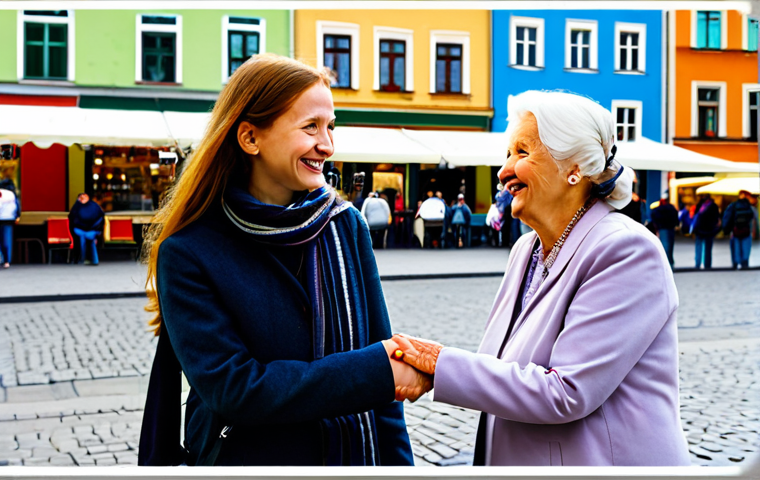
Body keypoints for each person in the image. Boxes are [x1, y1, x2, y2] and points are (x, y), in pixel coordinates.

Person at [137, 54, 427, 467]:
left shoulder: (346, 226)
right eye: (310, 127)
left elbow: (384, 384)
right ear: (250, 138)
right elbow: (234, 389)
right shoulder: (188, 252)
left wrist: (400, 470)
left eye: (330, 127)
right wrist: (373, 372)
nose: (326, 144)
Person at [390, 90, 690, 466]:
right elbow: (501, 371)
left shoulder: (626, 249)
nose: (503, 172)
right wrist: (432, 370)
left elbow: (567, 391)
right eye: (506, 155)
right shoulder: (525, 250)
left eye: (522, 152)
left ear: (574, 167)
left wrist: (439, 363)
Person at [722, 190, 756, 269]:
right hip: (746, 231)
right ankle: (745, 263)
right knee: (746, 248)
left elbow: (727, 218)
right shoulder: (750, 207)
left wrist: (726, 230)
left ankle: (735, 263)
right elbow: (753, 220)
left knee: (735, 248)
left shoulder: (733, 205)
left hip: (735, 231)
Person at [68, 193, 104, 265]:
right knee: (83, 237)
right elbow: (72, 218)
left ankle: (89, 259)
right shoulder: (77, 207)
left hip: (92, 229)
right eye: (81, 198)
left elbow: (100, 218)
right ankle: (84, 259)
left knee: (88, 236)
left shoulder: (94, 206)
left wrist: (97, 229)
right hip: (80, 229)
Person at [691, 193, 721, 269]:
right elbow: (716, 218)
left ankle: (698, 264)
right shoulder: (713, 206)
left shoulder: (700, 205)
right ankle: (707, 265)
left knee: (699, 247)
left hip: (700, 229)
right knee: (708, 248)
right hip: (709, 230)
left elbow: (695, 217)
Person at [651, 196, 679, 268]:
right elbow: (676, 217)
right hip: (670, 228)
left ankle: (667, 263)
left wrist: (657, 226)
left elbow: (653, 216)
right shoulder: (671, 208)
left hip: (663, 228)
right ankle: (670, 263)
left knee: (665, 247)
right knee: (669, 247)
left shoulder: (658, 209)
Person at [0, 178, 20, 268]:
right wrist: (17, 216)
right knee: (6, 239)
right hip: (8, 218)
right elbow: (17, 205)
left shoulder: (1, 193)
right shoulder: (12, 194)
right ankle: (7, 260)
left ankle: (1, 258)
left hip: (2, 217)